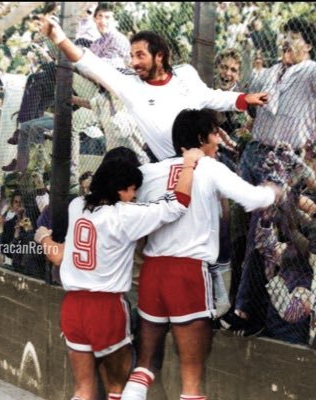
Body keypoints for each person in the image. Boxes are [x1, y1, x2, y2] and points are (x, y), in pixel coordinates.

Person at [120, 109, 282, 400]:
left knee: (145, 365)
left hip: (153, 273)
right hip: (188, 274)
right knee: (192, 375)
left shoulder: (149, 172)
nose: (219, 140)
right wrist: (273, 191)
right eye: (214, 133)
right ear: (199, 138)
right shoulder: (209, 167)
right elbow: (252, 199)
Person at [34, 146, 204, 400]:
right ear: (119, 189)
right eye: (132, 189)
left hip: (72, 306)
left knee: (83, 390)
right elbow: (177, 204)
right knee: (119, 389)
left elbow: (59, 254)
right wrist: (189, 163)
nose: (134, 195)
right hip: (106, 307)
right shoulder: (124, 215)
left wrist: (45, 237)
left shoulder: (77, 206)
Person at [40, 15, 269, 162]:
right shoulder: (130, 86)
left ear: (160, 56)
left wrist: (244, 98)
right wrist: (59, 38)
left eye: (140, 55)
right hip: (164, 167)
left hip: (205, 161)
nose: (134, 62)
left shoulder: (185, 75)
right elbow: (90, 63)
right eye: (131, 56)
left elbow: (211, 97)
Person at [222, 17, 316, 336]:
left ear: (308, 44)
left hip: (284, 158)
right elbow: (252, 109)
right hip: (254, 153)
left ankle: (248, 311)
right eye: (283, 36)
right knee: (239, 232)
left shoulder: (311, 71)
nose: (285, 42)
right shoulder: (268, 72)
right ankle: (240, 304)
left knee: (263, 235)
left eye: (293, 37)